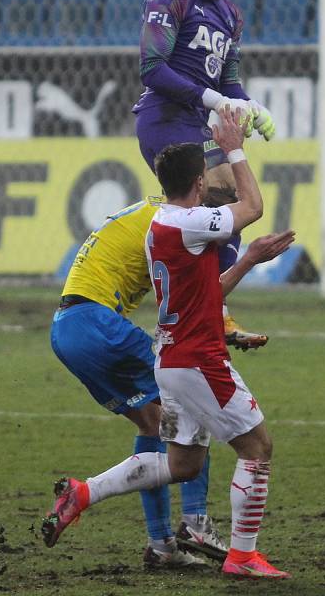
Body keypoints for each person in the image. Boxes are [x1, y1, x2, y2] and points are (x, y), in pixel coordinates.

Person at [41, 107, 295, 579]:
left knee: (168, 444)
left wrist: (246, 265)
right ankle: (207, 533)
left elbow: (197, 295)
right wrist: (234, 146)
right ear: (199, 184)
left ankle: (105, 506)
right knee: (257, 447)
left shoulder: (160, 226)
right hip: (155, 343)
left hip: (85, 329)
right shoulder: (187, 222)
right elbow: (252, 207)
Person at [42, 195, 227, 568]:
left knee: (152, 422)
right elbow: (191, 300)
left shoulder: (148, 213)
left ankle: (162, 546)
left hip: (66, 330)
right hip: (97, 324)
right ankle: (195, 522)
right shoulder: (172, 222)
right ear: (197, 185)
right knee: (194, 397)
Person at [132, 0, 275, 337]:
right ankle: (209, 313)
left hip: (195, 124)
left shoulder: (231, 16)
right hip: (162, 119)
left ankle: (211, 308)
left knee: (228, 199)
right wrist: (215, 100)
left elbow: (228, 79)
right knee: (218, 191)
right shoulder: (170, 0)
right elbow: (152, 69)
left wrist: (250, 104)